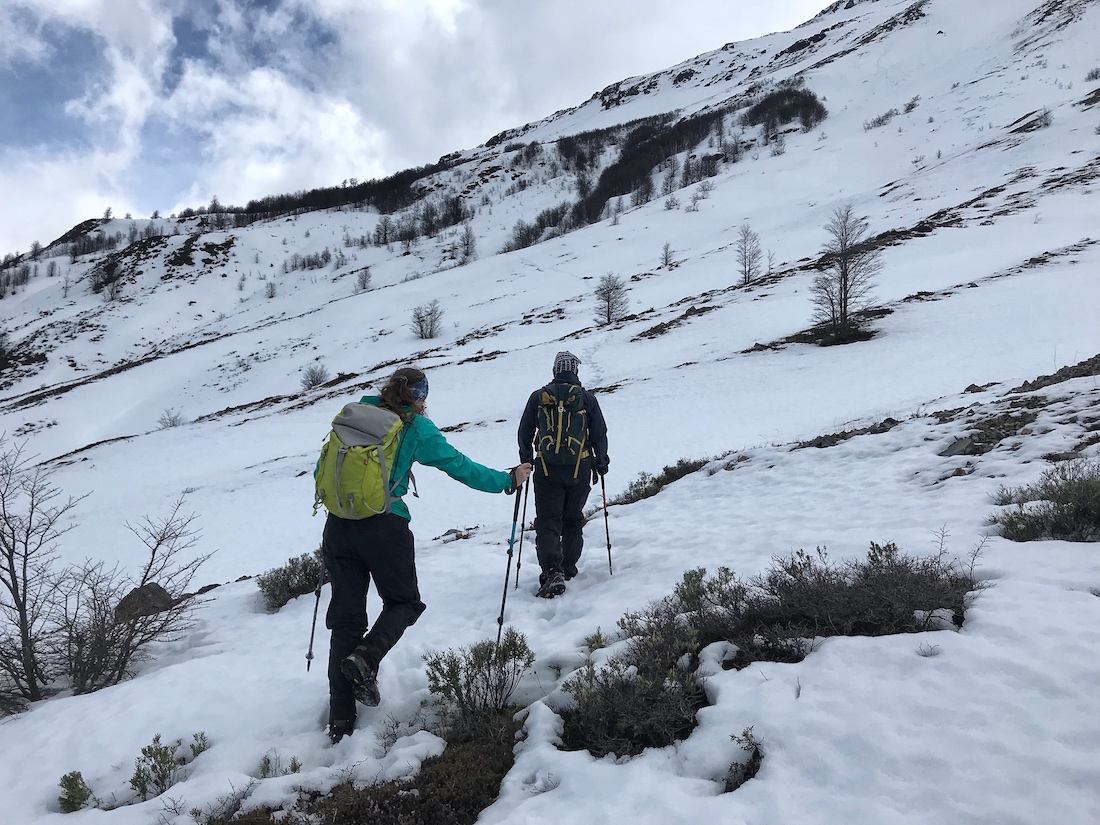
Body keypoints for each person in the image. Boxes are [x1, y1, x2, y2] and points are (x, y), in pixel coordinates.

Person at [321, 367, 532, 743]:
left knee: (346, 618)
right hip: (384, 525)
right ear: (418, 397)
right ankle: (366, 658)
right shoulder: (415, 427)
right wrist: (506, 481)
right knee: (404, 602)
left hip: (338, 526)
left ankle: (340, 720)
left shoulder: (354, 413)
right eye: (423, 397)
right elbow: (460, 466)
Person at [517, 351, 609, 599]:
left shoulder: (539, 397)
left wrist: (526, 460)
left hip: (546, 469)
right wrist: (601, 463)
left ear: (554, 371)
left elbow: (524, 431)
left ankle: (551, 571)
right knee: (572, 519)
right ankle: (567, 567)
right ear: (575, 371)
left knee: (548, 521)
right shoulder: (587, 399)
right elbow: (599, 433)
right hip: (580, 468)